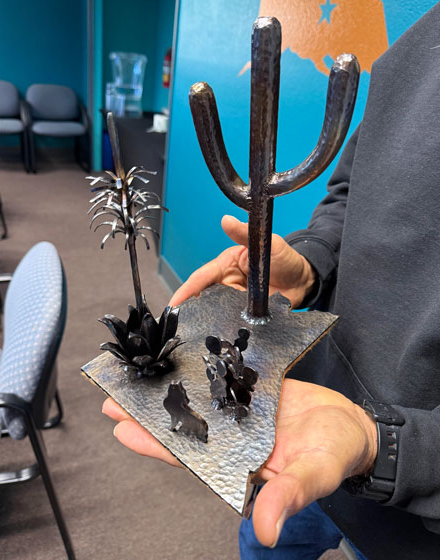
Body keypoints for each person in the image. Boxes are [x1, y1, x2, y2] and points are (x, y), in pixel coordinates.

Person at [103, 4, 440, 559]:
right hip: (307, 404)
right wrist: (311, 263)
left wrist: (391, 449)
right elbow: (351, 192)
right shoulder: (420, 45)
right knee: (264, 540)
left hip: (411, 515)